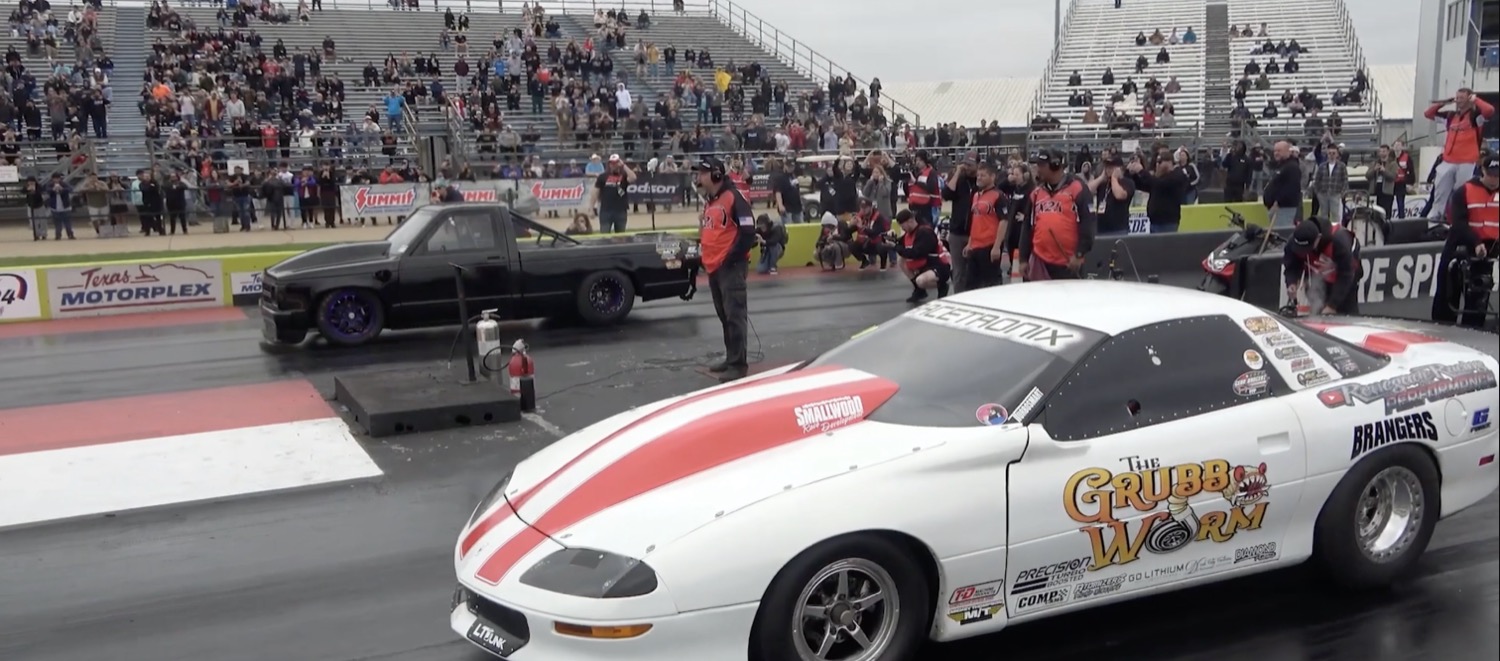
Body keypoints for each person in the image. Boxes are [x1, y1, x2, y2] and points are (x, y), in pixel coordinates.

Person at [694, 156, 756, 382]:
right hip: (714, 267)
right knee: (724, 316)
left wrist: (731, 258)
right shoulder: (711, 200)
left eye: (703, 172)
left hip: (730, 267)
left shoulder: (733, 197)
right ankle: (731, 358)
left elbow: (748, 231)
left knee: (735, 316)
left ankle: (738, 365)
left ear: (716, 175)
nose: (699, 176)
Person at [1432, 154, 1499, 328]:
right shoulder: (1465, 191)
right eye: (1491, 174)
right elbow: (1459, 223)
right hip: (1459, 248)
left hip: (1487, 252)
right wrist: (1476, 242)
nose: (1494, 179)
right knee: (1447, 297)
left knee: (1478, 301)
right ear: (1483, 170)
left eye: (1498, 175)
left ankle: (1474, 331)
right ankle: (1442, 330)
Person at [1018, 149, 1096, 281]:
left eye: (1042, 166)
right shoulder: (1036, 193)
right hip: (1040, 260)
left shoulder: (1077, 188)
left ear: (1055, 165)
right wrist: (1023, 258)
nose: (1038, 169)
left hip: (1068, 262)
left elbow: (1088, 224)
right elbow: (1027, 227)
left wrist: (1079, 254)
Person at [1423, 88, 1496, 224]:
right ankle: (1434, 223)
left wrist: (1476, 100)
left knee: (1462, 194)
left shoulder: (1475, 117)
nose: (1458, 100)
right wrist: (1444, 103)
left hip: (1467, 162)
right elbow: (1428, 114)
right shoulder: (1450, 117)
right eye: (1457, 97)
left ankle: (1460, 221)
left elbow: (1489, 110)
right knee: (1440, 193)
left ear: (1469, 98)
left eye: (1462, 97)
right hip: (1448, 161)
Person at [1284, 216, 1362, 315]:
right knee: (1317, 306)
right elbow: (1291, 264)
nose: (1303, 252)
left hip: (1346, 275)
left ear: (1318, 239)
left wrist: (1332, 305)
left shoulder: (1339, 241)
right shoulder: (1294, 240)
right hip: (1318, 275)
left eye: (1307, 249)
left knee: (1346, 312)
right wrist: (1291, 282)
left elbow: (1347, 274)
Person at [964, 162, 1007, 290]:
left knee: (991, 284)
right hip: (975, 246)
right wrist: (969, 243)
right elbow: (975, 220)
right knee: (971, 286)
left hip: (989, 246)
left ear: (992, 177)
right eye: (978, 175)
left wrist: (997, 246)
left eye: (983, 175)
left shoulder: (998, 196)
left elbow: (1004, 221)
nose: (979, 178)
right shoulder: (976, 195)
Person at [892, 209, 950, 303]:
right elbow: (901, 244)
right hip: (926, 265)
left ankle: (942, 285)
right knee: (901, 260)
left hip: (938, 265)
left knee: (921, 281)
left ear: (910, 221)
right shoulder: (909, 233)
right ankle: (919, 290)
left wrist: (896, 247)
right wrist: (892, 239)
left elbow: (916, 253)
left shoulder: (924, 232)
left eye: (903, 226)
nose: (902, 229)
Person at [942, 159, 977, 291]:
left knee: (974, 271)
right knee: (958, 272)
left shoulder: (980, 182)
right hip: (957, 232)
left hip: (975, 232)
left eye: (970, 165)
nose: (967, 168)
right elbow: (946, 194)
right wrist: (957, 173)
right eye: (965, 165)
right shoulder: (959, 181)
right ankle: (959, 296)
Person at [590, 154, 637, 233]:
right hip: (606, 211)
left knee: (621, 237)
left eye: (616, 163)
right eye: (612, 163)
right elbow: (595, 193)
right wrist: (591, 208)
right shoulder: (602, 177)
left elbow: (633, 178)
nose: (614, 165)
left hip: (621, 211)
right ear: (609, 164)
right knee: (604, 235)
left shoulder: (624, 176)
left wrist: (623, 165)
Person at [1262, 140, 1303, 228]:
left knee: (1282, 233)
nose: (1276, 153)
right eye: (1275, 151)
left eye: (1279, 151)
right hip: (1277, 209)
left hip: (1284, 209)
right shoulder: (1281, 166)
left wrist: (1278, 202)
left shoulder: (1292, 167)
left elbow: (1291, 189)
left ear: (1288, 151)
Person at [905, 150, 941, 224]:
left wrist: (916, 182)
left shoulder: (931, 172)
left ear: (925, 160)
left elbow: (931, 187)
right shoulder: (914, 172)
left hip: (929, 206)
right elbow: (909, 189)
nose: (917, 162)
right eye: (916, 160)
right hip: (915, 206)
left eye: (920, 160)